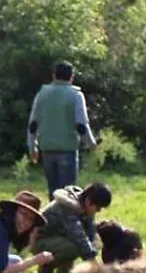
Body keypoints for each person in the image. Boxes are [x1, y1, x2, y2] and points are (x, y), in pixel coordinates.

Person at [27, 61, 97, 199]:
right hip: (67, 149)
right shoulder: (76, 95)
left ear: (54, 76)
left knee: (53, 192)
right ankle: (66, 220)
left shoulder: (42, 93)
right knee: (69, 193)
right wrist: (91, 143)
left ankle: (52, 219)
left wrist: (32, 147)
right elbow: (81, 124)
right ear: (72, 77)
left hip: (47, 149)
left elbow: (33, 123)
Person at [32, 182, 112, 273]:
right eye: (98, 207)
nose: (98, 211)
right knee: (75, 247)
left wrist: (95, 246)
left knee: (92, 243)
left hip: (58, 237)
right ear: (89, 201)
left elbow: (89, 233)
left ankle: (64, 266)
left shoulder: (83, 204)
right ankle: (46, 265)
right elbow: (79, 237)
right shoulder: (68, 207)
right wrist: (95, 267)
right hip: (39, 240)